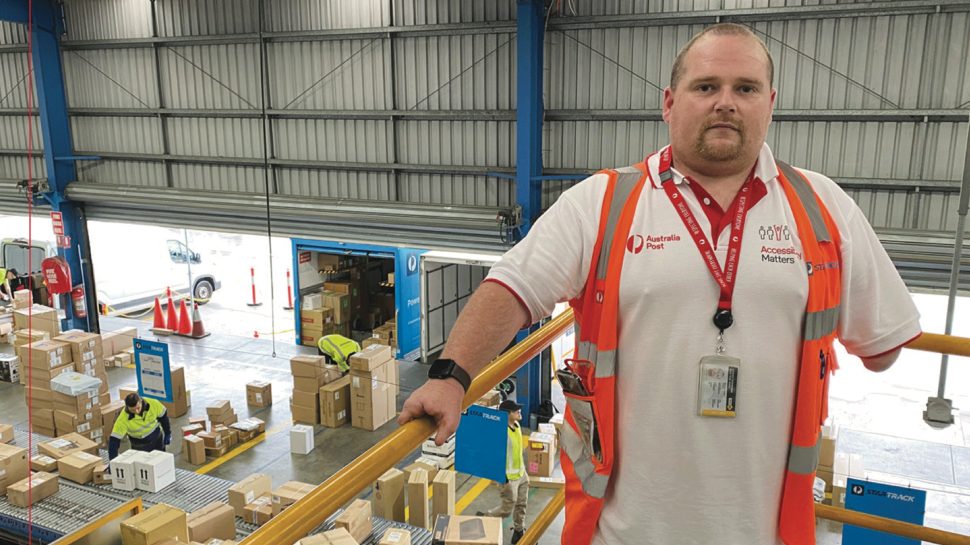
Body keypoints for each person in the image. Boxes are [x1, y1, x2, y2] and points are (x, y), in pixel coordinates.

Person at [399, 23, 921, 545]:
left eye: (745, 88)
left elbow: (881, 346)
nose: (726, 103)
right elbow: (511, 288)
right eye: (705, 86)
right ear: (669, 103)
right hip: (626, 529)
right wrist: (450, 376)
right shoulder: (602, 204)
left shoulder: (823, 208)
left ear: (770, 102)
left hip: (767, 532)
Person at [474, 399, 530, 544]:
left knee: (521, 504)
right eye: (515, 410)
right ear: (507, 413)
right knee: (507, 509)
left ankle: (519, 531)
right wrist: (501, 476)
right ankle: (487, 517)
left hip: (521, 474)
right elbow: (492, 455)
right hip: (508, 478)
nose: (519, 411)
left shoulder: (516, 425)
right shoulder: (500, 432)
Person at [108, 393, 172, 460]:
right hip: (139, 445)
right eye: (132, 410)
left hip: (157, 439)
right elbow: (114, 441)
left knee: (161, 461)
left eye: (138, 408)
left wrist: (167, 433)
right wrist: (112, 461)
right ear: (127, 407)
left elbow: (163, 417)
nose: (137, 411)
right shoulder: (123, 419)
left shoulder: (153, 404)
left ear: (140, 401)